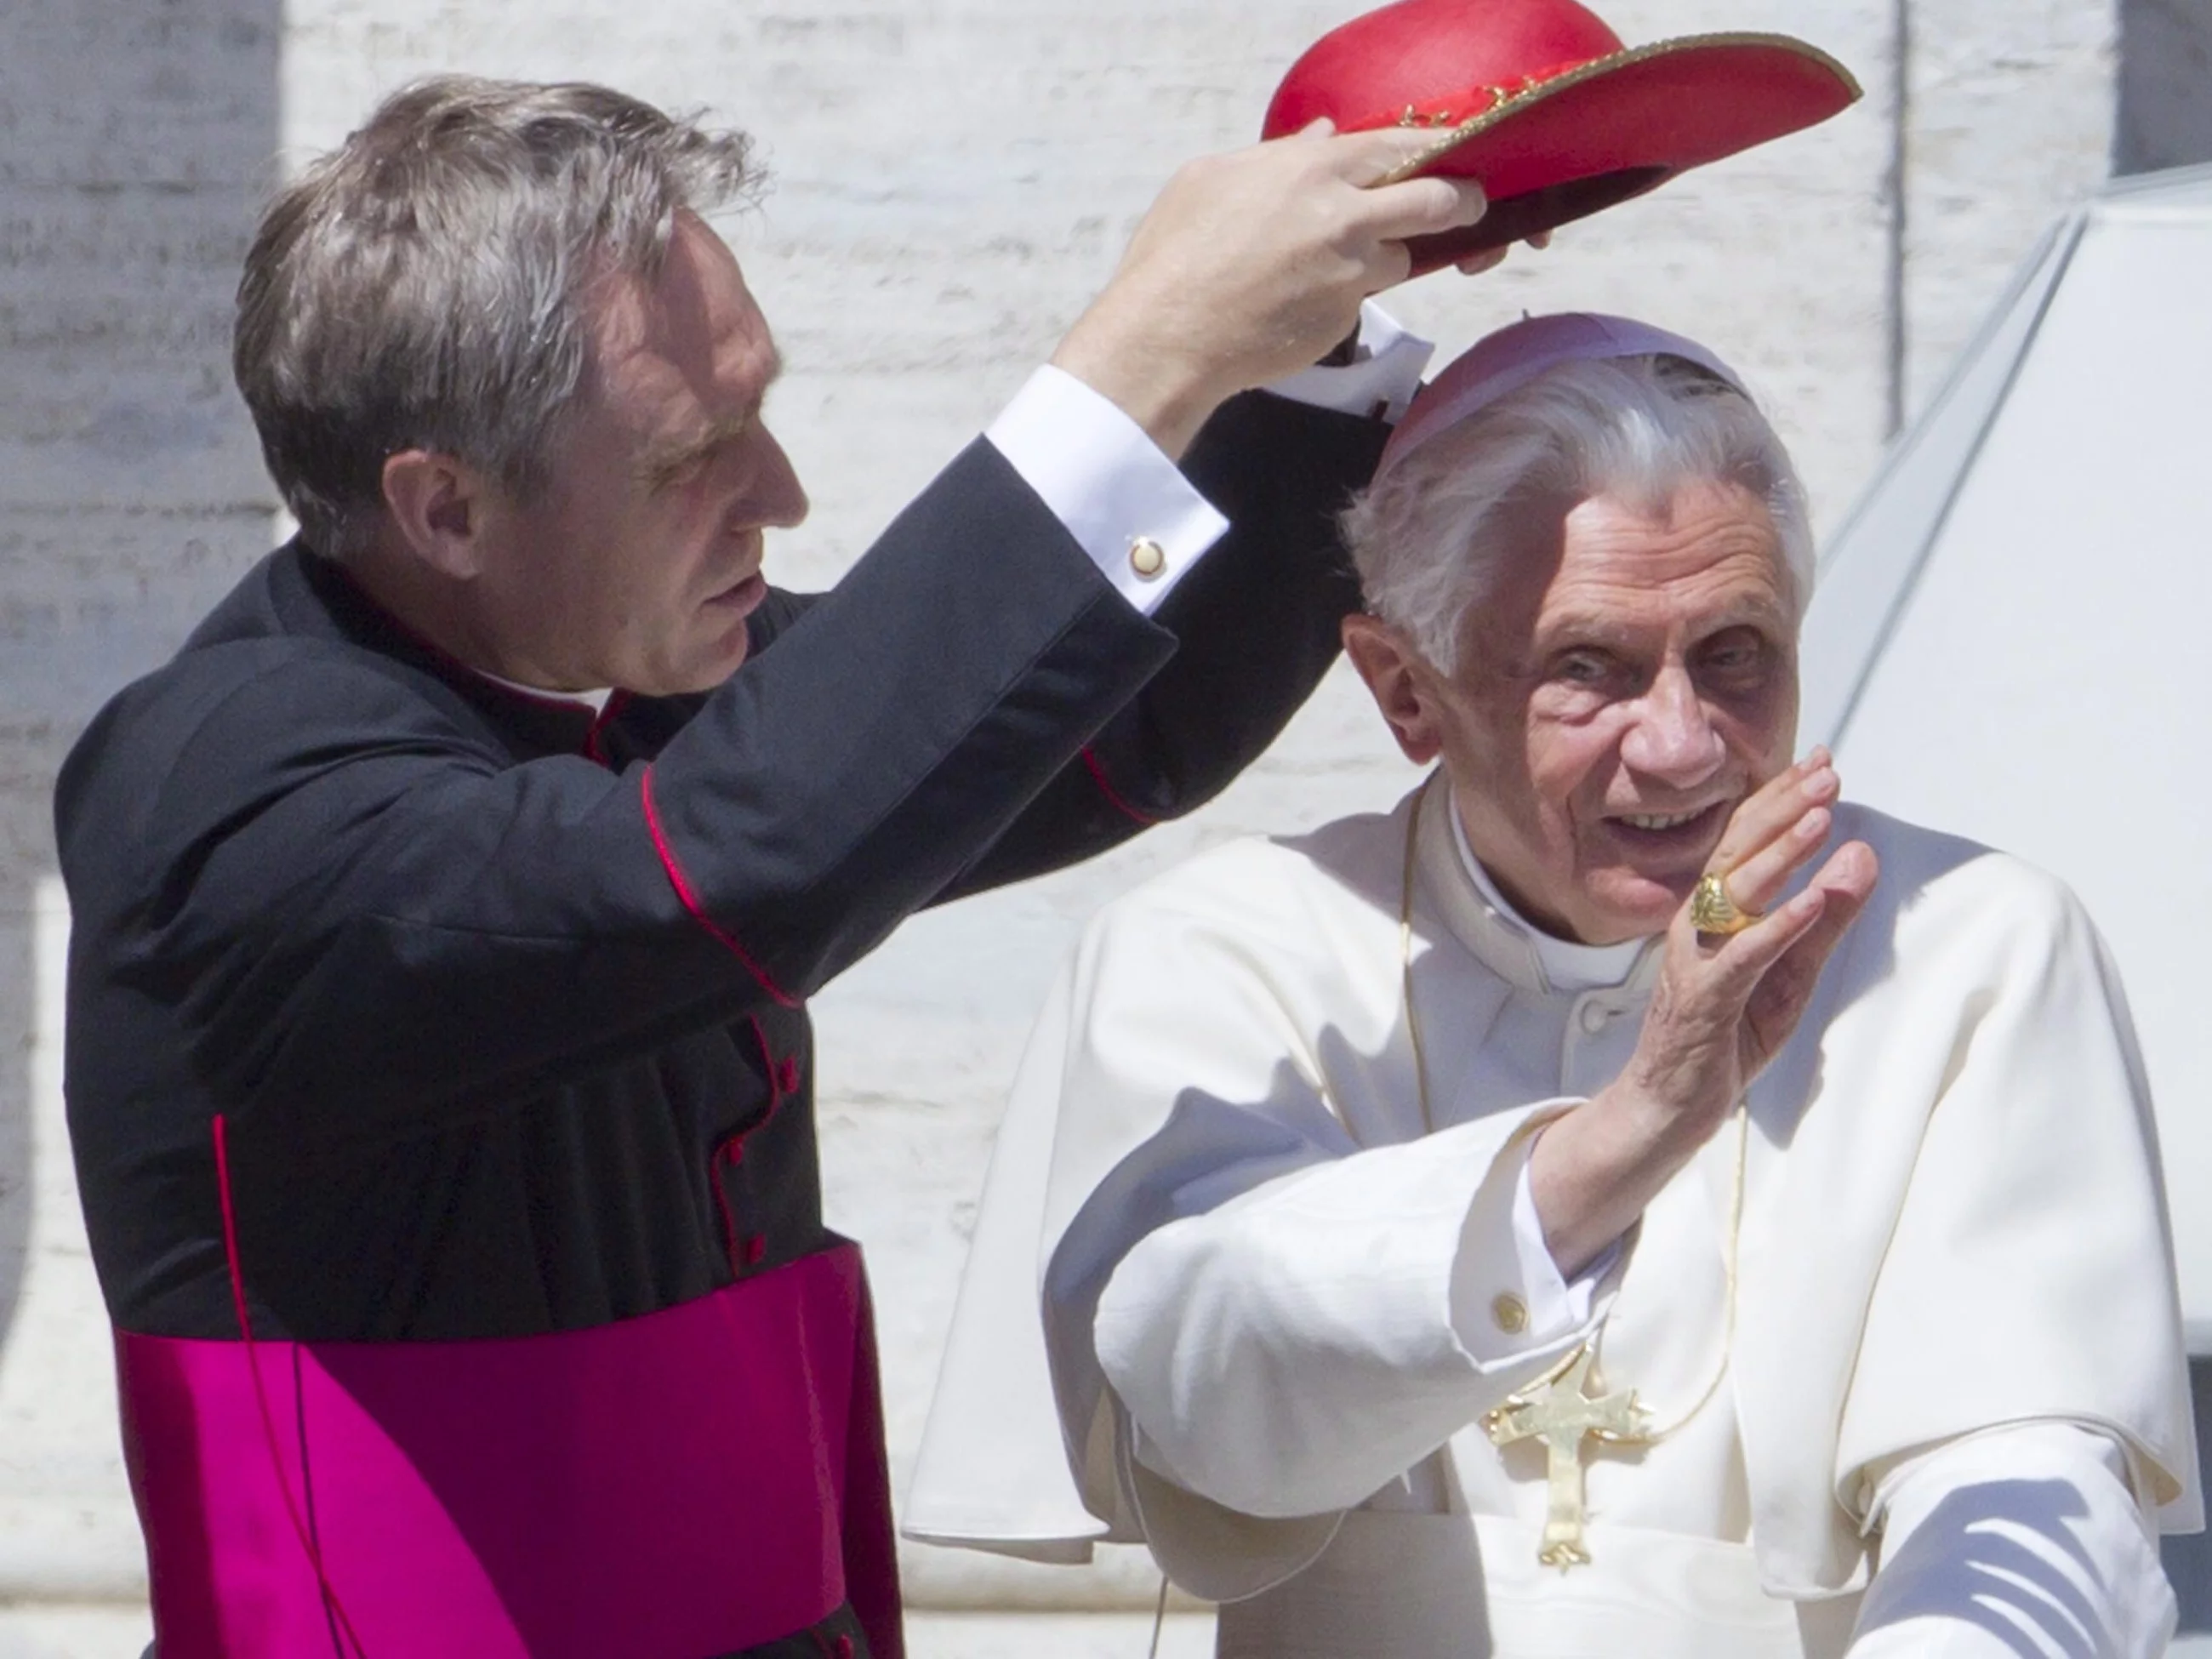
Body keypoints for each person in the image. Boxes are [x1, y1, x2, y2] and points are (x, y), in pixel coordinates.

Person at [54, 75, 1498, 1659]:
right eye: (698, 457)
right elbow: (742, 857)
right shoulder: (234, 795)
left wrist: (1316, 344)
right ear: (445, 505)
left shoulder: (630, 687)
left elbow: (1105, 731)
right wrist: (1145, 352)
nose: (786, 495)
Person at [909, 313, 2203, 1656]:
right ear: (1405, 688)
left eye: (1736, 652)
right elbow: (1203, 1395)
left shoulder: (1966, 950)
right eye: (1591, 667)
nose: (1684, 745)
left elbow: (2026, 1484)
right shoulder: (1220, 955)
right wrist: (1630, 1128)